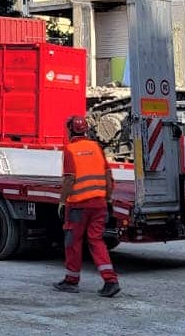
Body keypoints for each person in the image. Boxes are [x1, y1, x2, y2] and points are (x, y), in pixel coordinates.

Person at [53, 115, 121, 298]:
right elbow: (108, 176)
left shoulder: (70, 150)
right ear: (85, 130)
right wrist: (107, 199)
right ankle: (110, 281)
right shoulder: (96, 147)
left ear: (70, 130)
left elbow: (69, 179)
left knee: (73, 242)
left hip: (78, 206)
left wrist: (62, 201)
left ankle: (71, 280)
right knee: (96, 241)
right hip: (99, 204)